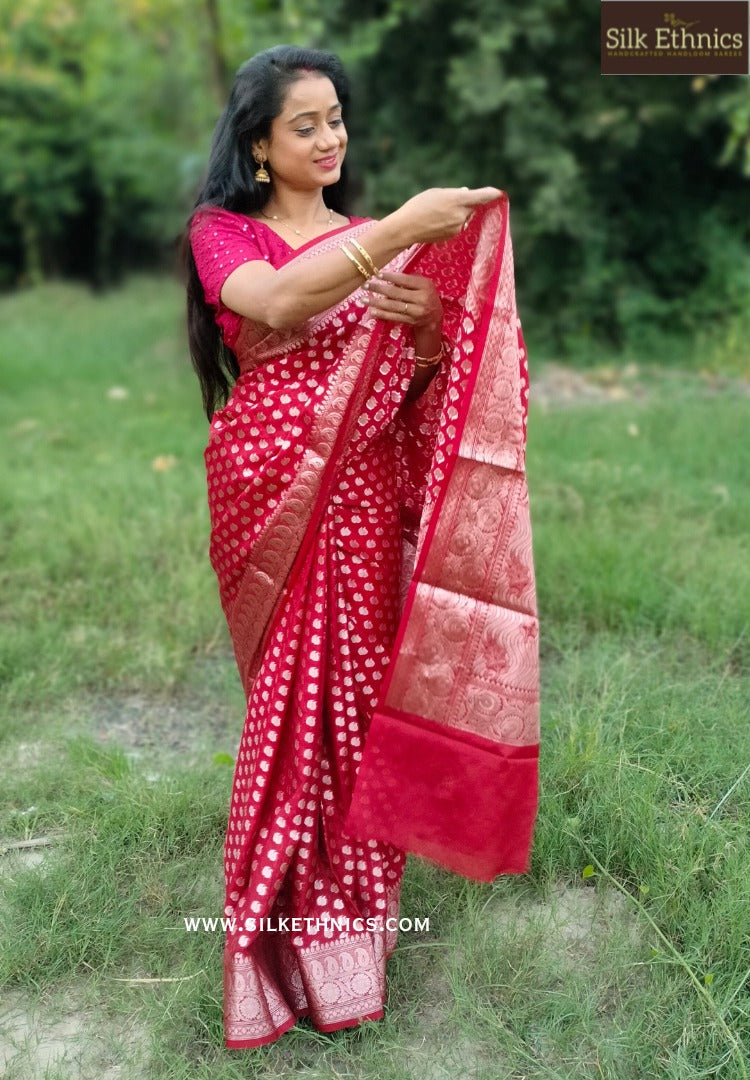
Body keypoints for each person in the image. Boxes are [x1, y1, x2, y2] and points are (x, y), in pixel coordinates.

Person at [185, 44, 539, 1050]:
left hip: (365, 496)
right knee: (290, 713)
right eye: (306, 125)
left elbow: (418, 399)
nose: (329, 138)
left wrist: (428, 329)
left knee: (352, 706)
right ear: (259, 147)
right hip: (269, 490)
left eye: (336, 119)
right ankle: (270, 945)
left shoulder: (368, 240)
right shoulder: (225, 234)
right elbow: (280, 305)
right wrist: (400, 232)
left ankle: (346, 948)